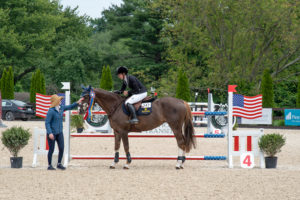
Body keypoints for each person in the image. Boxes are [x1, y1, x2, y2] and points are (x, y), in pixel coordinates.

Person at [45, 94, 83, 170]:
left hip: (59, 132)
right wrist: (50, 133)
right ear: (56, 102)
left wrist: (78, 102)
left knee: (62, 148)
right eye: (59, 100)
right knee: (51, 149)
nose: (60, 101)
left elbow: (70, 107)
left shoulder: (61, 108)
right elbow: (47, 123)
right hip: (52, 133)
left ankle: (59, 163)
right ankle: (49, 165)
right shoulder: (51, 111)